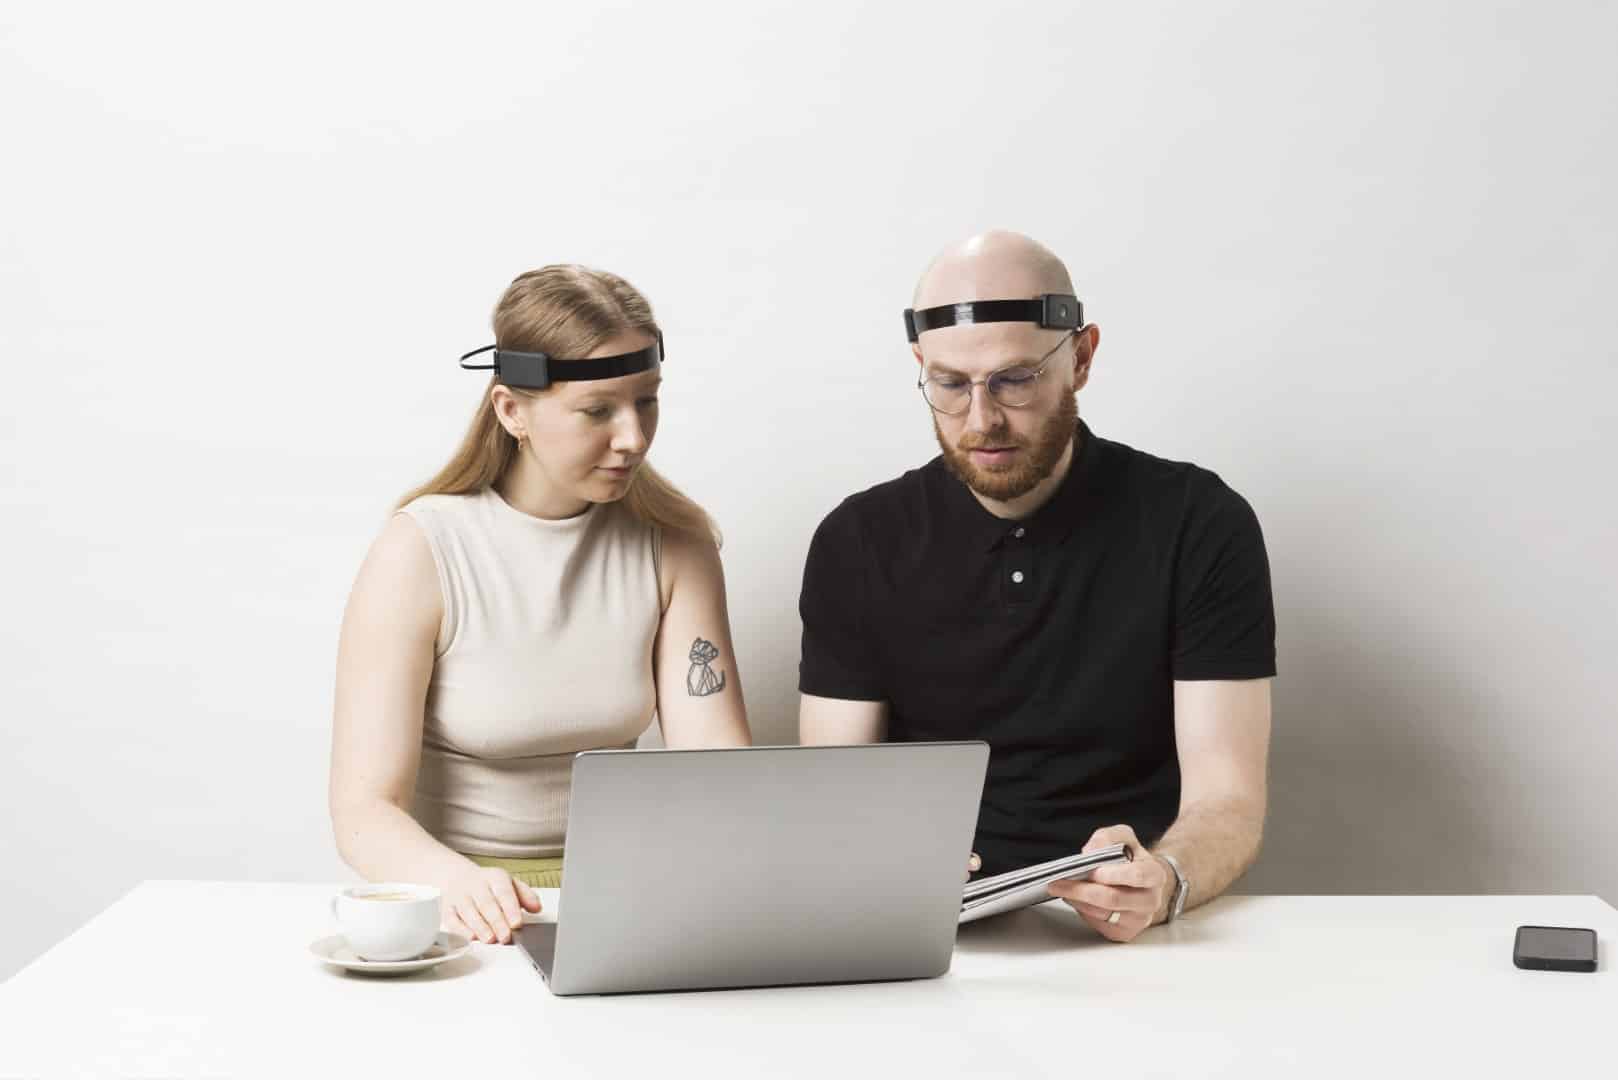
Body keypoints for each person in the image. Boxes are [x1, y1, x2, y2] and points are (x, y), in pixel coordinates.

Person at [798, 231, 1275, 942]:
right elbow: (835, 796)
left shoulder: (1198, 522)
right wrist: (882, 867)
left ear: (1080, 358)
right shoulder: (858, 540)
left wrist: (1167, 878)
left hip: (1134, 932)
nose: (981, 420)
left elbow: (1228, 799)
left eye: (1015, 379)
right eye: (950, 384)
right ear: (921, 366)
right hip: (925, 930)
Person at [330, 265, 751, 945]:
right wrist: (457, 884)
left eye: (647, 401)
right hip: (464, 908)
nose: (634, 437)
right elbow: (363, 811)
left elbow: (718, 772)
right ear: (511, 411)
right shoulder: (420, 550)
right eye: (598, 410)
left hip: (624, 896)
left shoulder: (677, 545)